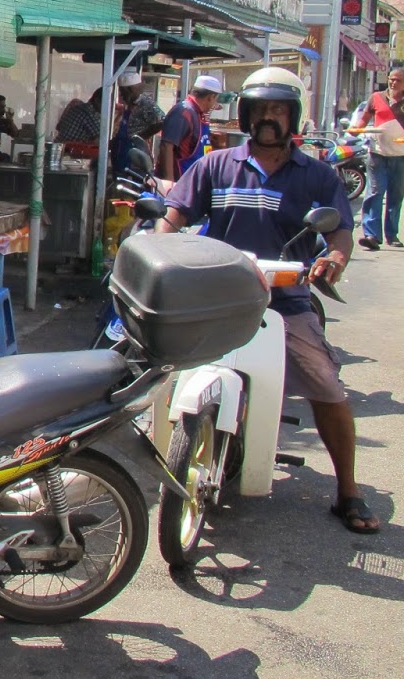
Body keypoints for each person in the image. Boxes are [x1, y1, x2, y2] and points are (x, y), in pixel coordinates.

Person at [158, 66, 379, 535]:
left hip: (286, 299)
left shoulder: (316, 174)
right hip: (218, 295)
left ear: (292, 116)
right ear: (245, 114)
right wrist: (162, 245)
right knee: (154, 363)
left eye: (277, 110)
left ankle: (347, 490)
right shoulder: (216, 165)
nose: (267, 118)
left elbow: (340, 228)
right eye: (259, 110)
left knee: (327, 386)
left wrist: (336, 256)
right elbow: (175, 213)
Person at [350, 64, 404, 250]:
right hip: (377, 154)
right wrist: (356, 128)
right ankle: (372, 235)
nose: (393, 82)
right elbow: (364, 119)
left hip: (400, 155)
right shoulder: (376, 98)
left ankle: (392, 234)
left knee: (396, 196)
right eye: (391, 79)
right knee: (375, 192)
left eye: (398, 80)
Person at [155, 74, 222, 181]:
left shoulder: (197, 113)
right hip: (180, 182)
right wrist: (169, 182)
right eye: (216, 99)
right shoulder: (183, 112)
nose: (215, 103)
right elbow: (166, 146)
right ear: (211, 97)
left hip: (193, 181)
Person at [111, 71, 163, 165]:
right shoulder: (129, 104)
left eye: (123, 92)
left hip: (135, 154)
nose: (121, 95)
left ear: (132, 90)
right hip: (121, 151)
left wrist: (141, 136)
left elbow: (162, 122)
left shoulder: (147, 104)